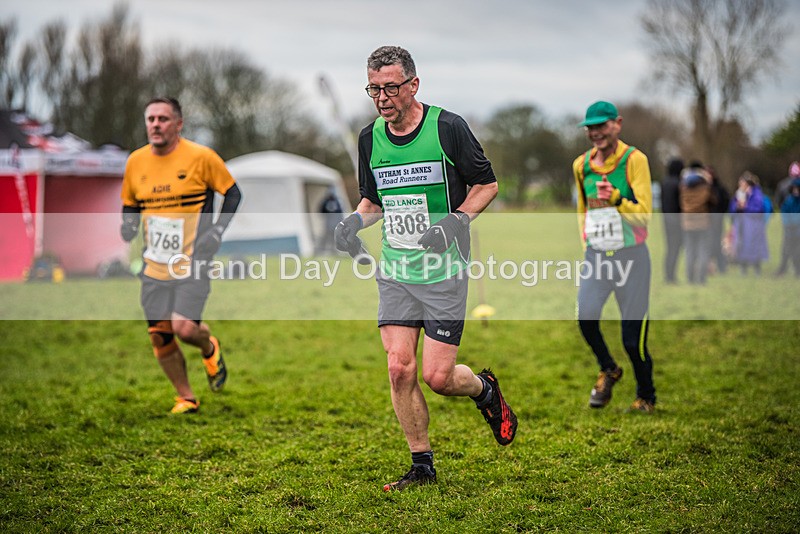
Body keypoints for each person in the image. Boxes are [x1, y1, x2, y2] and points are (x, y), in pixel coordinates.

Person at [335, 45, 517, 491]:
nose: (382, 97)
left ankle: (485, 390)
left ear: (413, 85)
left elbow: (486, 185)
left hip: (444, 270)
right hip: (396, 269)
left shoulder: (448, 127)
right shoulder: (368, 138)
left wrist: (455, 221)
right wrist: (352, 223)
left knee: (438, 377)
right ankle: (422, 464)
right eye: (374, 89)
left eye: (391, 87)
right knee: (400, 368)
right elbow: (374, 201)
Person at [120, 97, 241, 414]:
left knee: (184, 328)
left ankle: (208, 345)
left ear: (178, 124)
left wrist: (216, 231)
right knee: (161, 335)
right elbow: (130, 202)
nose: (155, 125)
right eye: (150, 119)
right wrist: (128, 223)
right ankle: (186, 397)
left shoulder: (201, 157)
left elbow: (233, 193)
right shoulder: (136, 162)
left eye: (163, 118)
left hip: (193, 259)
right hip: (153, 263)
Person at [572, 101, 656, 414]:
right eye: (590, 127)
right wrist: (586, 242)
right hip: (597, 257)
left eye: (602, 126)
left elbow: (645, 216)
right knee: (586, 317)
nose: (596, 133)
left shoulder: (635, 160)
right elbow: (583, 208)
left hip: (632, 257)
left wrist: (618, 198)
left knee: (633, 340)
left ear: (617, 124)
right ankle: (609, 368)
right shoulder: (581, 165)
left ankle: (646, 395)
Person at [679, 161, 716, 284]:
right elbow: (714, 200)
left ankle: (690, 278)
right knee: (703, 251)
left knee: (689, 251)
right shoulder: (705, 189)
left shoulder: (684, 189)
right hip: (703, 223)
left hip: (688, 224)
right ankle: (701, 278)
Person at [729, 172, 769, 276]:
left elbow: (759, 208)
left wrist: (746, 206)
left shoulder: (756, 194)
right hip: (741, 224)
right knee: (741, 244)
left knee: (755, 245)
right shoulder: (738, 194)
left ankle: (757, 268)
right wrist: (738, 207)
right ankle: (743, 268)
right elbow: (732, 208)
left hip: (753, 224)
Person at [774, 161, 800, 276]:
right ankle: (784, 268)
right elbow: (781, 207)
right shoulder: (788, 201)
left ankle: (796, 270)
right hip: (790, 226)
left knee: (795, 249)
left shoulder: (783, 185)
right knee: (787, 248)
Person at [661, 157, 683, 284]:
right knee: (675, 248)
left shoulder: (665, 182)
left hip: (666, 219)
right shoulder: (678, 183)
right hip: (676, 220)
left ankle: (668, 274)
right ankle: (671, 276)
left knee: (669, 248)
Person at [707, 166, 730, 275]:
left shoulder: (719, 189)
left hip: (717, 219)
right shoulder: (706, 187)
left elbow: (725, 201)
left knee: (717, 244)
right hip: (708, 219)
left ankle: (721, 266)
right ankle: (711, 267)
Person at [316, 187, 344, 255]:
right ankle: (321, 250)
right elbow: (321, 211)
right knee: (326, 237)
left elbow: (340, 212)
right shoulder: (325, 202)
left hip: (335, 222)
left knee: (335, 237)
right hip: (328, 222)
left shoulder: (337, 201)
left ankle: (334, 250)